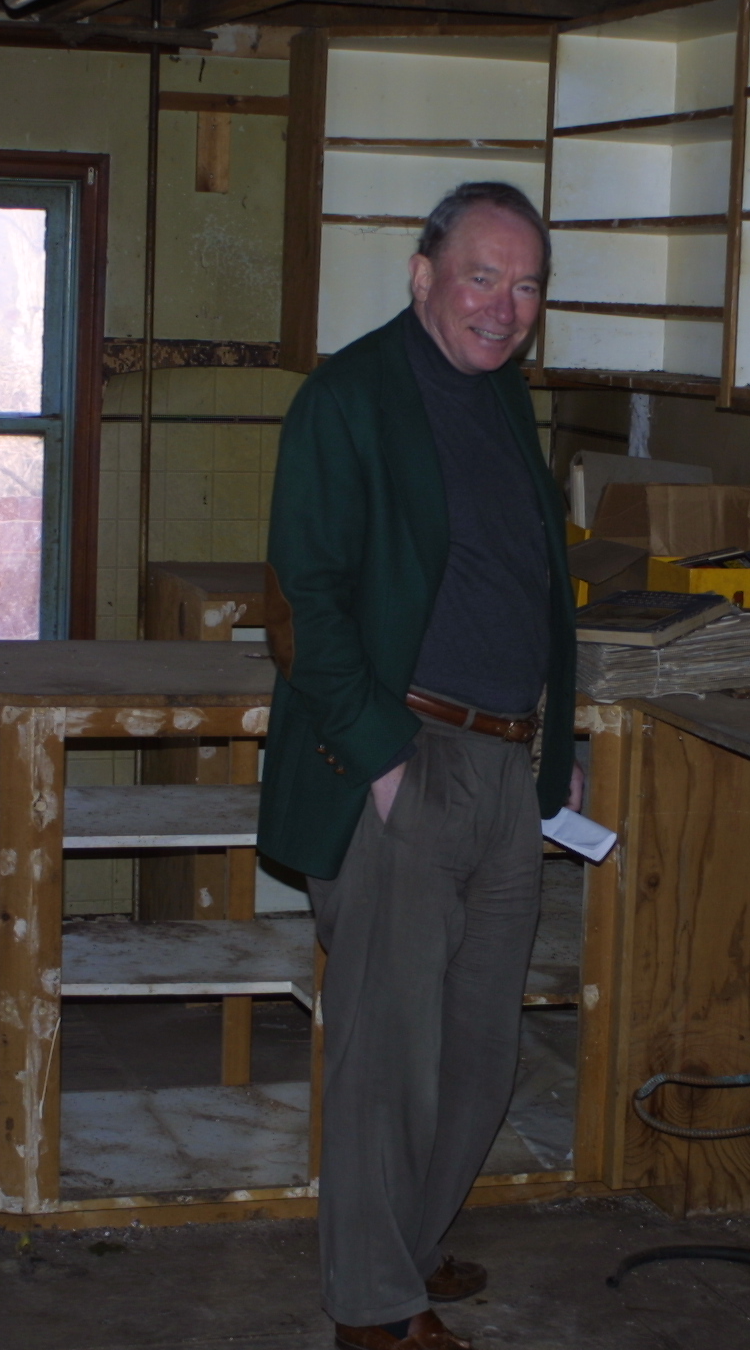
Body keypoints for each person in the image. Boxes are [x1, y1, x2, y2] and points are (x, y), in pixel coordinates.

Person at [258, 181, 581, 1350]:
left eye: (527, 286)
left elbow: (522, 580)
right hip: (402, 756)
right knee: (390, 1061)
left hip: (505, 762)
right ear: (423, 275)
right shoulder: (347, 399)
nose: (505, 306)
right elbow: (304, 604)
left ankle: (409, 1240)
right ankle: (374, 1308)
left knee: (479, 1052)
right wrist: (386, 763)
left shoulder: (504, 399)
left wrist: (553, 740)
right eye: (483, 277)